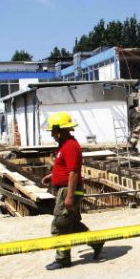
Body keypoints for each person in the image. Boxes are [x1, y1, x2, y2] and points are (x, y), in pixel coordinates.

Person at [41, 112, 104, 270]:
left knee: (59, 225)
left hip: (68, 191)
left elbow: (74, 172)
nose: (51, 134)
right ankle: (96, 241)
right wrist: (52, 176)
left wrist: (69, 197)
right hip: (65, 189)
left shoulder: (70, 146)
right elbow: (66, 168)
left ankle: (63, 259)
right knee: (72, 223)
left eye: (52, 131)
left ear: (59, 130)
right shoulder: (64, 145)